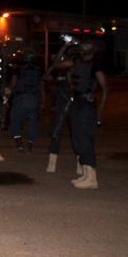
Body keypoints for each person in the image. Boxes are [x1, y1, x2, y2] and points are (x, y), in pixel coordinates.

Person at [66, 41, 108, 189]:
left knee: (85, 140)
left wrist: (100, 111)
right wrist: (65, 48)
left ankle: (92, 178)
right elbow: (57, 64)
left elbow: (104, 88)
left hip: (86, 104)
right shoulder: (77, 62)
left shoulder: (96, 66)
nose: (83, 49)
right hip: (76, 102)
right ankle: (85, 174)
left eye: (87, 48)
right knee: (77, 139)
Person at [45, 44, 76, 173]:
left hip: (72, 101)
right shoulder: (59, 68)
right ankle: (52, 163)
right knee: (56, 132)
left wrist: (64, 47)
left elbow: (58, 63)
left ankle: (81, 163)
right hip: (61, 101)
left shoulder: (76, 63)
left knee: (76, 134)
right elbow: (49, 72)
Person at [6, 49, 44, 153]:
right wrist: (42, 101)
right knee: (33, 122)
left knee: (15, 120)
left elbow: (13, 82)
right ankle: (30, 143)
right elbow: (41, 85)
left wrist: (7, 95)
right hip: (33, 98)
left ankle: (19, 144)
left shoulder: (18, 68)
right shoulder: (38, 69)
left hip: (20, 98)